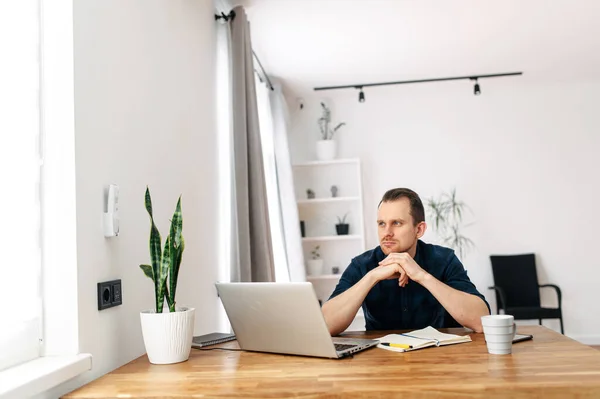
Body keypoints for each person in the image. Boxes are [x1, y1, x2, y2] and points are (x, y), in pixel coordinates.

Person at [322, 188, 490, 336]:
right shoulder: (362, 265)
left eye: (397, 223)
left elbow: (481, 321)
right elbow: (325, 326)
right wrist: (371, 277)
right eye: (381, 223)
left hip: (439, 361)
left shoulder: (444, 260)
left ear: (419, 229)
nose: (387, 232)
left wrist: (422, 276)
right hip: (381, 362)